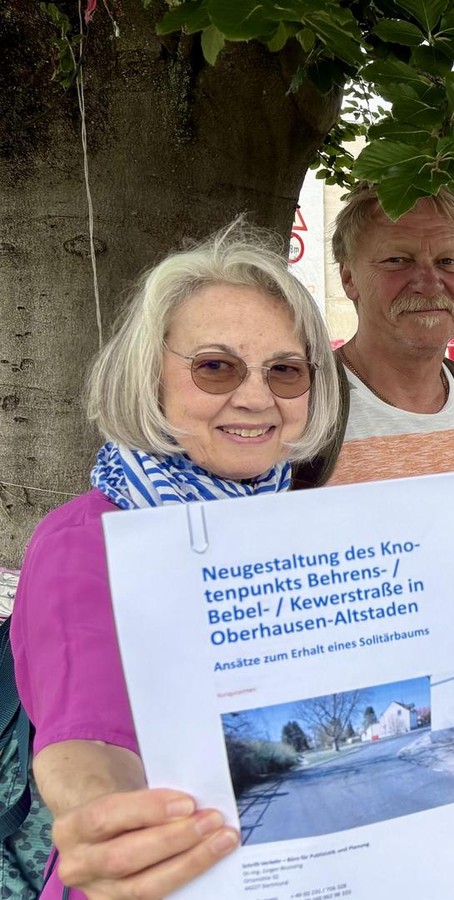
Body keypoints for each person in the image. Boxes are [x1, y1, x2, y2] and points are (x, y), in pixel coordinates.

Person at [12, 226, 342, 899]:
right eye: (216, 367)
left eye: (284, 370)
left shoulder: (311, 528)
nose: (255, 398)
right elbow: (85, 729)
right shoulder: (86, 539)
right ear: (151, 376)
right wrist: (97, 815)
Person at [294, 184, 454, 546]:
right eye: (397, 260)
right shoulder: (300, 409)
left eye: (448, 262)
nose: (429, 283)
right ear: (349, 278)